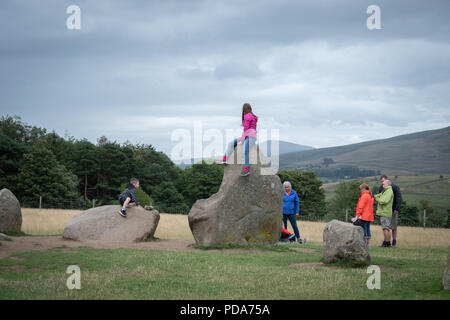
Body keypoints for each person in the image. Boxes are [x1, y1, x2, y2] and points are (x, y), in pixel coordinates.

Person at [218, 103, 258, 176]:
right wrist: (243, 139)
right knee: (231, 143)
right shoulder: (252, 116)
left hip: (251, 137)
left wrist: (242, 141)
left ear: (244, 110)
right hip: (247, 136)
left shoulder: (248, 116)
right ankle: (224, 159)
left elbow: (246, 130)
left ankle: (246, 169)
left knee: (245, 151)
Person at [379, 174, 402, 246]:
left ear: (387, 179)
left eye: (383, 181)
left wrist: (396, 208)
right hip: (385, 210)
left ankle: (394, 240)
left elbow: (399, 198)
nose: (382, 183)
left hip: (393, 209)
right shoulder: (381, 187)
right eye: (381, 182)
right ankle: (386, 241)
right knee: (386, 226)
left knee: (394, 226)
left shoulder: (395, 187)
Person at [374, 179, 394, 247]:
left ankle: (387, 243)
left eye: (384, 184)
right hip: (385, 212)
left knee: (385, 228)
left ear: (388, 184)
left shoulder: (388, 191)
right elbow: (378, 195)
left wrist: (377, 199)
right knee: (386, 228)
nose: (382, 185)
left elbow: (384, 201)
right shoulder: (385, 191)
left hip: (385, 212)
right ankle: (386, 243)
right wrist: (376, 196)